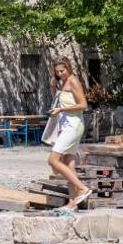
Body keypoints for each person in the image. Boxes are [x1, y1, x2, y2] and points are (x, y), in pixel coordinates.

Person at [46, 59, 91, 210]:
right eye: (57, 72)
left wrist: (61, 110)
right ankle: (73, 203)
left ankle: (82, 188)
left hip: (74, 125)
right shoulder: (62, 83)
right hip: (65, 126)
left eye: (62, 70)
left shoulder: (73, 81)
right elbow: (60, 102)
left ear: (68, 68)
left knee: (53, 160)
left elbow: (83, 105)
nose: (60, 74)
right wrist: (53, 87)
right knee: (68, 163)